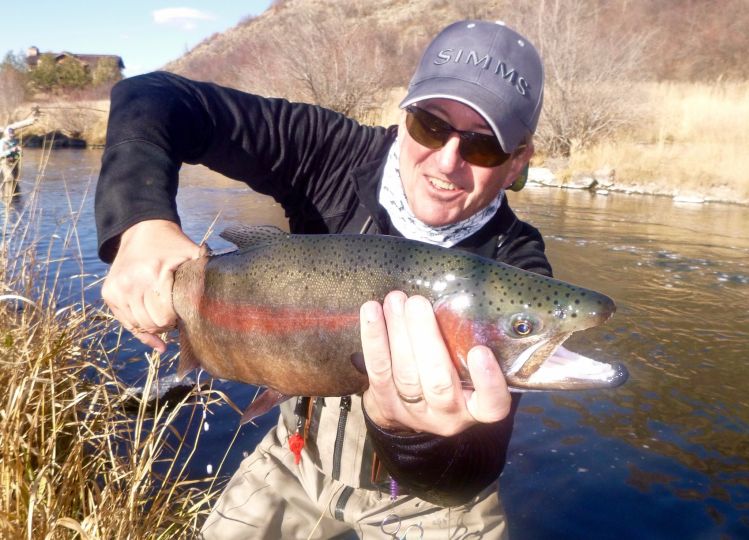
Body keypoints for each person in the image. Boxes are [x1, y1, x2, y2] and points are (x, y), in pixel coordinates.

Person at [95, 20, 550, 539]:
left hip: (425, 506)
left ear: (517, 162)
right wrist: (140, 223)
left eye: (484, 145)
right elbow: (150, 94)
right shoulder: (331, 153)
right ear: (404, 117)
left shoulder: (516, 277)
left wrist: (408, 434)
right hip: (295, 462)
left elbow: (470, 473)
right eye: (431, 125)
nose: (447, 161)